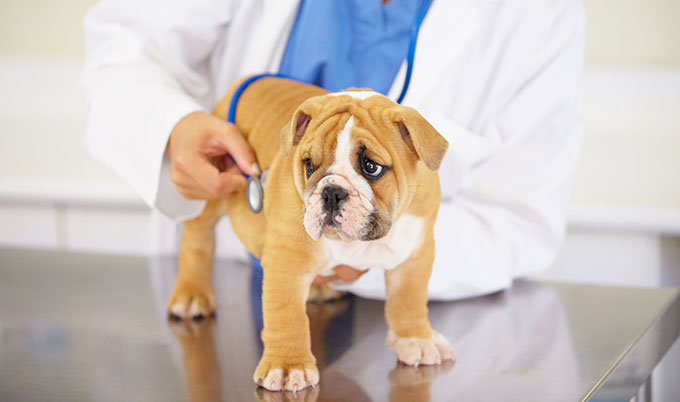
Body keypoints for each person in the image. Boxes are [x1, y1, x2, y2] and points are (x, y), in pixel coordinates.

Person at [83, 0, 585, 300]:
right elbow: (125, 46)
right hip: (228, 286)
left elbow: (519, 219)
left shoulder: (535, 15)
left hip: (393, 319)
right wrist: (171, 126)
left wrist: (374, 253)